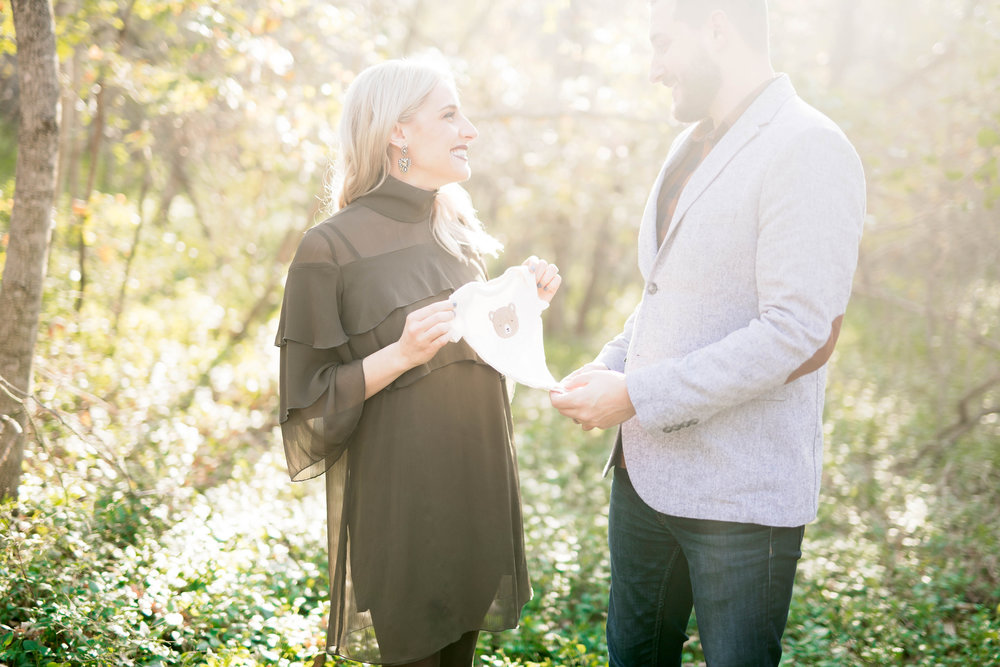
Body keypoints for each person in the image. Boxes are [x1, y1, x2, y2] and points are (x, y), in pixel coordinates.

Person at [550, 1, 866, 665]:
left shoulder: (809, 146)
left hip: (740, 494)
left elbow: (799, 331)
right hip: (643, 480)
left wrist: (636, 392)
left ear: (717, 25)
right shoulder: (688, 143)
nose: (654, 68)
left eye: (663, 44)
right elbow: (668, 294)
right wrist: (609, 365)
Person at [275, 58, 561, 667]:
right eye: (450, 114)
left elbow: (479, 370)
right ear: (398, 132)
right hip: (403, 506)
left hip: (478, 487)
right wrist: (398, 355)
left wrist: (522, 311)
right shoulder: (329, 248)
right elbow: (308, 407)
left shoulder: (456, 233)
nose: (470, 130)